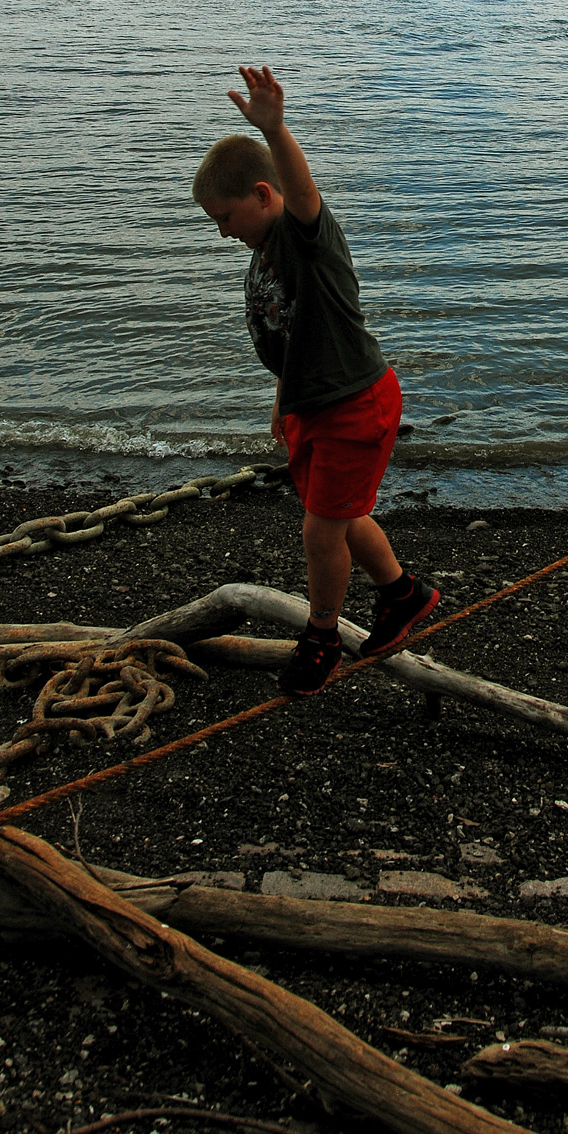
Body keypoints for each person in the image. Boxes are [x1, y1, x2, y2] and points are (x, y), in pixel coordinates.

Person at [192, 63, 438, 696]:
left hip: (357, 404)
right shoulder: (262, 253)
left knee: (320, 527)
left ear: (262, 195)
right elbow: (292, 337)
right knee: (335, 512)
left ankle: (322, 635)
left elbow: (303, 192)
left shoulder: (307, 238)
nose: (223, 231)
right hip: (312, 404)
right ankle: (402, 594)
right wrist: (283, 400)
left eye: (225, 216)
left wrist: (275, 130)